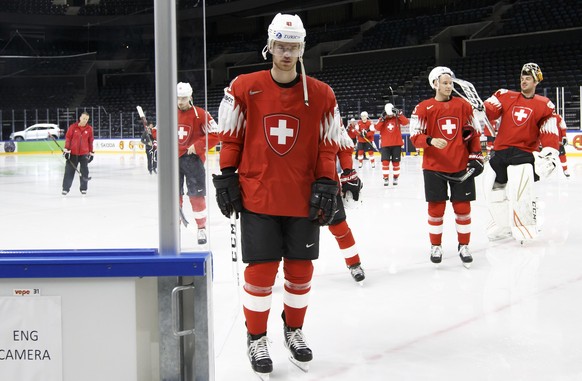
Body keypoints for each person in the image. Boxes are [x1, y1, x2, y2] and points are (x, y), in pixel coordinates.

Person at [212, 13, 341, 378]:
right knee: (262, 271)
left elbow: (328, 145)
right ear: (270, 46)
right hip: (258, 195)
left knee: (300, 271)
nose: (287, 53)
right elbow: (231, 136)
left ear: (302, 49)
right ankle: (256, 337)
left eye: (294, 46)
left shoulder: (321, 94)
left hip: (303, 197)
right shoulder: (244, 87)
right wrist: (226, 175)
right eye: (281, 45)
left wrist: (327, 181)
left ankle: (294, 329)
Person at [410, 66, 484, 268]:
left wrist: (476, 155)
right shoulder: (423, 108)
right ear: (435, 84)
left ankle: (464, 246)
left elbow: (474, 133)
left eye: (450, 82)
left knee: (462, 207)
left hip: (460, 165)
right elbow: (414, 137)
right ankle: (436, 246)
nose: (449, 86)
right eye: (444, 82)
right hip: (434, 167)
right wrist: (431, 140)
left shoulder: (464, 106)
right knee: (436, 208)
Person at [483, 63, 560, 241]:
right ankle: (501, 225)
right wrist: (483, 108)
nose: (523, 81)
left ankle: (525, 227)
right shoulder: (505, 95)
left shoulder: (544, 105)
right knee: (493, 190)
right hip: (500, 152)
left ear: (536, 82)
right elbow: (491, 110)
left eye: (528, 79)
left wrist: (549, 153)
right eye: (522, 78)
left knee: (521, 191)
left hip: (523, 154)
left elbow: (549, 129)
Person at [176, 81, 220, 245]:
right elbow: (160, 133)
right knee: (175, 196)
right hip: (174, 159)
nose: (180, 102)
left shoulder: (201, 114)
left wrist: (198, 145)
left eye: (184, 98)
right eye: (178, 98)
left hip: (193, 160)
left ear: (190, 97)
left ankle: (201, 228)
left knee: (196, 195)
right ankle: (176, 227)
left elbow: (216, 133)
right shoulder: (169, 113)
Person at [334, 128, 366, 282]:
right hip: (288, 179)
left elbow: (343, 142)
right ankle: (272, 269)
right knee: (288, 227)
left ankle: (354, 263)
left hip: (324, 179)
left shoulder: (327, 107)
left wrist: (347, 170)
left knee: (339, 225)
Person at [374, 103, 409, 186]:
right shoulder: (382, 118)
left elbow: (406, 122)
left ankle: (395, 177)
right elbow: (376, 128)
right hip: (385, 145)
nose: (390, 116)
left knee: (396, 163)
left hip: (396, 144)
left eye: (391, 114)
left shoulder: (397, 117)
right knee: (385, 162)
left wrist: (399, 114)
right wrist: (382, 119)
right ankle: (385, 178)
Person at [61, 111, 94, 195]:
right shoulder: (73, 127)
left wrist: (91, 152)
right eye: (83, 118)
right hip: (73, 153)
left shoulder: (89, 129)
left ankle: (83, 188)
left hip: (84, 154)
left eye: (86, 119)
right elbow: (68, 138)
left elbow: (90, 141)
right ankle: (65, 188)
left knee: (84, 171)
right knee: (69, 171)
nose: (85, 120)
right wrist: (66, 150)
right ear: (80, 118)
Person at [556, 113, 570, 177]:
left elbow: (563, 127)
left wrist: (564, 136)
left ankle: (565, 169)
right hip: (547, 141)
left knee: (562, 155)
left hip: (558, 141)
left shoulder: (558, 117)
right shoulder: (542, 117)